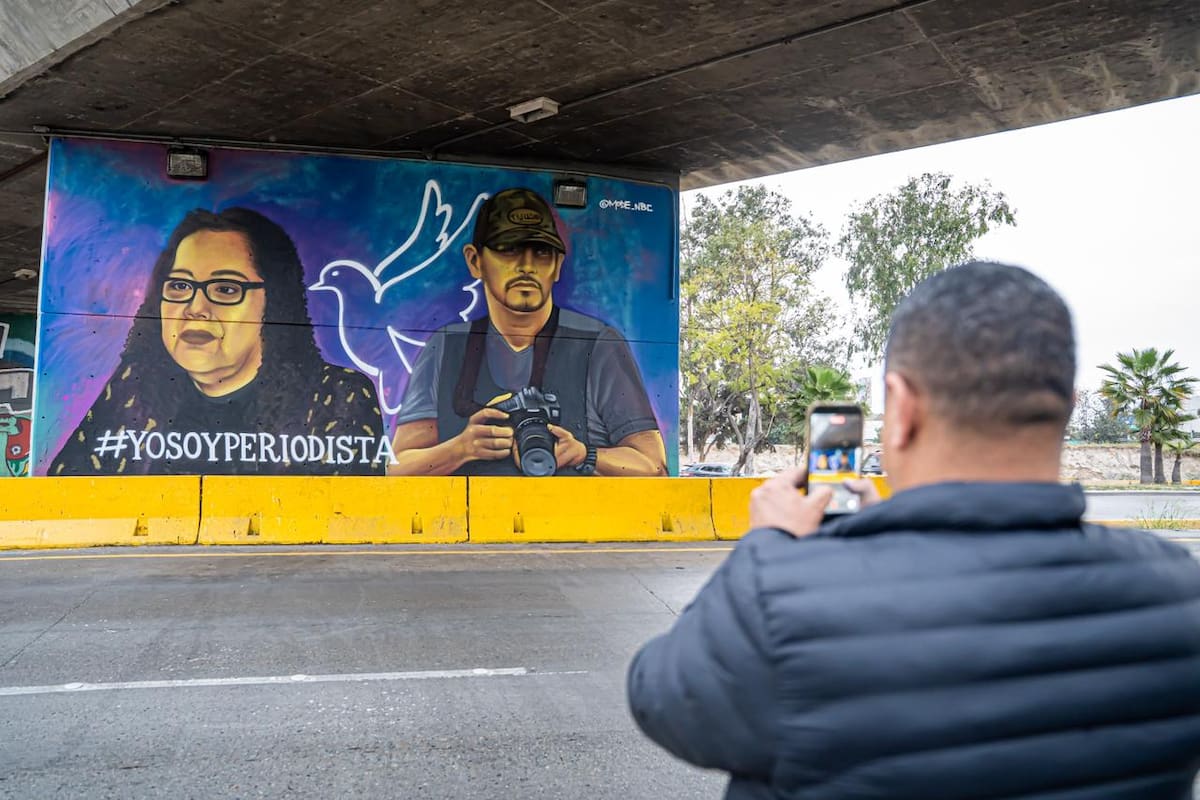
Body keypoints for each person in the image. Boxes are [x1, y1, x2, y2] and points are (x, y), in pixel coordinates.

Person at [628, 262, 1200, 799]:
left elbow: (662, 698)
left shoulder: (781, 599)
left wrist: (766, 546)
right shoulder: (1178, 592)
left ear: (901, 409)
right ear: (1067, 406)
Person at [49, 208, 385, 476]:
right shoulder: (134, 387)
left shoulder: (338, 396)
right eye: (179, 286)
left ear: (274, 303)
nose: (195, 308)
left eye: (225, 289)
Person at [388, 187, 667, 477]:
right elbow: (397, 468)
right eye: (508, 249)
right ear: (475, 261)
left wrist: (584, 454)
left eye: (542, 252)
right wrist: (461, 449)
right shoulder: (446, 346)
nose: (526, 266)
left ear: (557, 265)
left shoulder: (597, 345)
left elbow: (654, 467)